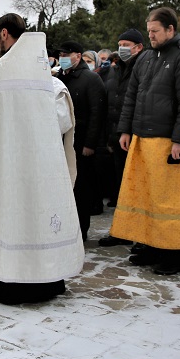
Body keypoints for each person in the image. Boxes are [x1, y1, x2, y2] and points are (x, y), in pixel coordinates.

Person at [0, 13, 84, 304]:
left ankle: (4, 284)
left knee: (8, 217)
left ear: (3, 34)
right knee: (37, 218)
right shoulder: (52, 84)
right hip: (42, 168)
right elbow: (62, 124)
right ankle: (44, 283)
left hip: (8, 166)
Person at [110, 7, 180, 275]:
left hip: (168, 141)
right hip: (142, 138)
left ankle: (176, 255)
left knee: (170, 201)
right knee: (146, 197)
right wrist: (126, 130)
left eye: (155, 31)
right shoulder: (146, 58)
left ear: (170, 29)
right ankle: (152, 246)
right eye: (149, 31)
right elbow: (132, 96)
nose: (150, 36)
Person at [98, 28, 145, 246]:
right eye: (120, 43)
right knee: (121, 187)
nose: (122, 48)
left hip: (137, 136)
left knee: (138, 187)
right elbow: (111, 104)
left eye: (127, 44)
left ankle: (139, 233)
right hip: (117, 136)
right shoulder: (115, 70)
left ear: (138, 47)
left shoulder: (144, 68)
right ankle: (122, 230)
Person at [56, 40, 106, 240]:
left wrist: (90, 144)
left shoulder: (90, 79)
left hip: (81, 141)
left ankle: (81, 229)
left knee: (81, 188)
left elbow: (97, 113)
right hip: (61, 142)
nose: (63, 58)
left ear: (78, 55)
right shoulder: (59, 77)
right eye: (61, 54)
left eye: (67, 54)